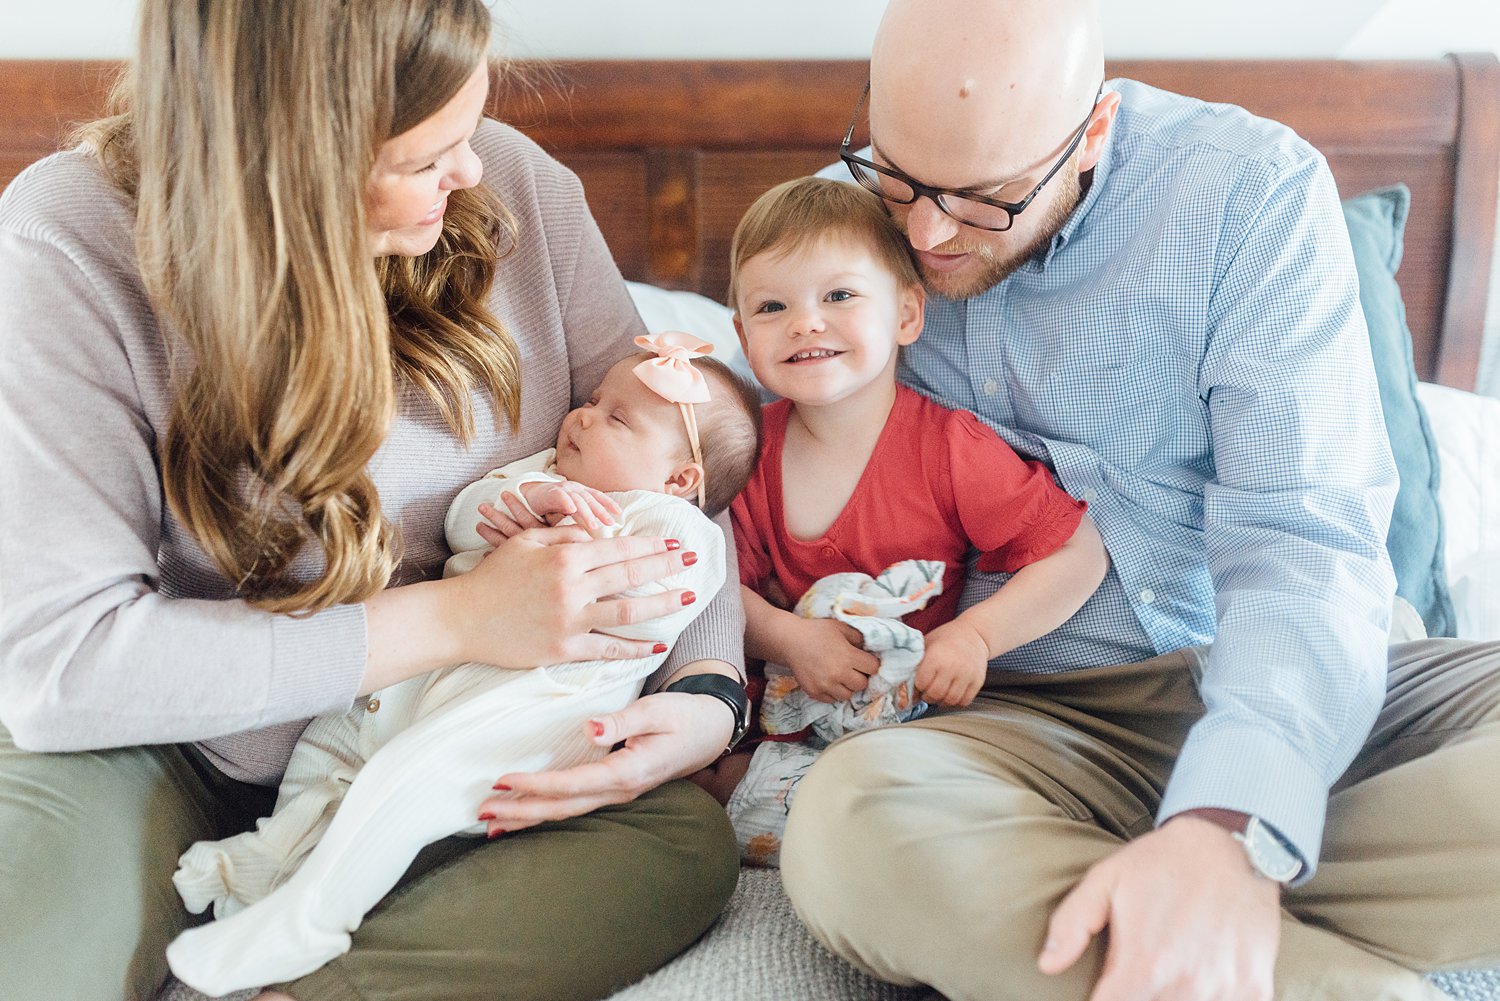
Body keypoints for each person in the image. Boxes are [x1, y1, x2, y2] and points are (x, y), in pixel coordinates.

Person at [0, 3, 756, 999]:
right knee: (33, 944)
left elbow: (679, 465)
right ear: (292, 157)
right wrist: (456, 616)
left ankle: (282, 978)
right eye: (426, 153)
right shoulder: (73, 239)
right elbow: (63, 665)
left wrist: (709, 689)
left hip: (448, 736)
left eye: (470, 129)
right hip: (173, 749)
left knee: (677, 846)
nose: (472, 171)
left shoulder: (521, 186)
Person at [780, 2, 1500, 1000]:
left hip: (1307, 692)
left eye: (984, 198)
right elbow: (751, 487)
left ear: (1096, 133)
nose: (925, 231)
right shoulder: (824, 248)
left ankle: (1200, 870)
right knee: (842, 830)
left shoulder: (1248, 191)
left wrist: (1229, 823)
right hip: (1025, 732)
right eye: (898, 176)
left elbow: (1301, 532)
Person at [164, 341, 763, 994]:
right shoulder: (545, 476)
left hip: (527, 714)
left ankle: (313, 917)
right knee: (333, 744)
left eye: (616, 419)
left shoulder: (676, 526)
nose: (583, 418)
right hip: (433, 677)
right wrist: (522, 503)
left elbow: (652, 612)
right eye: (592, 401)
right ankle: (274, 850)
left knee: (402, 782)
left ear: (679, 479)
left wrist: (578, 543)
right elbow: (462, 520)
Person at [696, 177, 1107, 866]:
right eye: (773, 306)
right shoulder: (746, 452)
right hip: (776, 723)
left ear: (907, 315)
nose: (805, 322)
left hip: (903, 721)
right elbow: (709, 583)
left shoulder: (949, 448)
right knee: (698, 782)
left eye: (839, 296)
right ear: (741, 332)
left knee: (939, 803)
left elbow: (1077, 553)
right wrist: (790, 636)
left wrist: (975, 636)